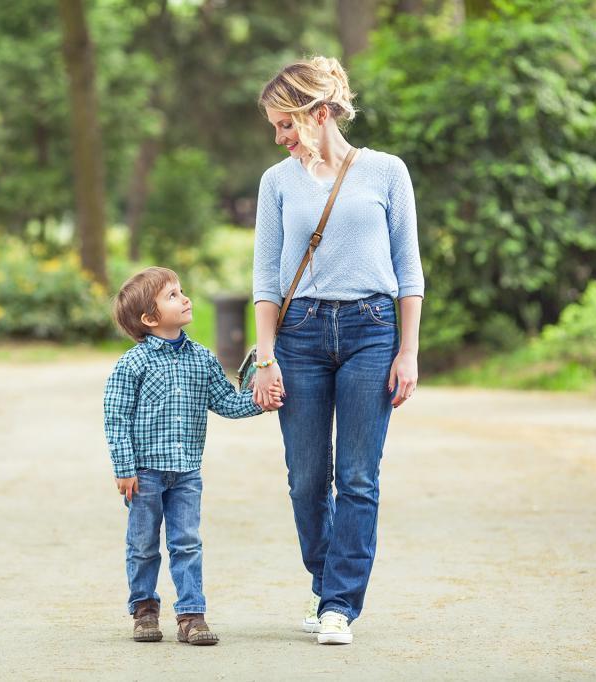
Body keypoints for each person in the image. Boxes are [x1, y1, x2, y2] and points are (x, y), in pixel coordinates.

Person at [250, 57, 425, 645]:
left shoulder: (387, 172)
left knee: (357, 476)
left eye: (287, 124)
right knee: (306, 479)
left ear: (319, 113)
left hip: (370, 331)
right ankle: (326, 580)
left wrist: (408, 351)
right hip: (299, 335)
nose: (280, 137)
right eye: (275, 127)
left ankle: (339, 606)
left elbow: (408, 271)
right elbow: (266, 279)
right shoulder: (277, 182)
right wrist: (266, 358)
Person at [103, 266, 282, 645]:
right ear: (149, 319)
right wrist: (124, 468)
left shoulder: (203, 359)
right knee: (142, 545)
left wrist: (260, 398)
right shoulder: (132, 364)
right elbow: (116, 417)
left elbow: (228, 403)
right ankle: (144, 610)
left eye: (181, 291)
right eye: (172, 295)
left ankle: (191, 615)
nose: (185, 299)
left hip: (186, 474)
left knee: (186, 543)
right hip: (144, 474)